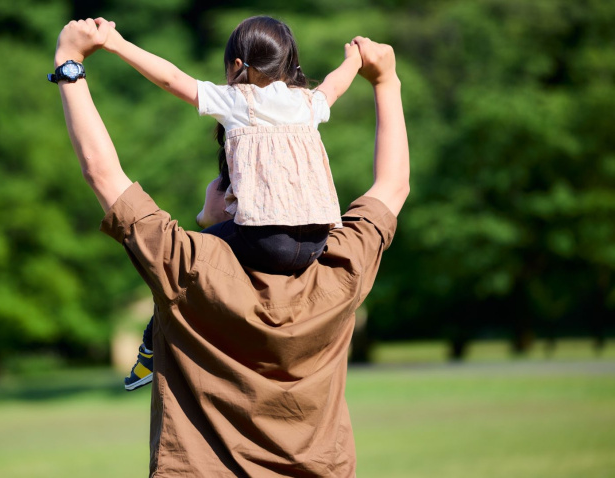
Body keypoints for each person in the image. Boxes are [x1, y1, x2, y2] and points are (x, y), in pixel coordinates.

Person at [52, 17, 408, 477]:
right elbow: (393, 185)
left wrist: (69, 63)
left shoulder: (186, 268)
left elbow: (103, 174)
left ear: (236, 190)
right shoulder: (342, 267)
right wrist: (385, 80)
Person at [99, 16, 364, 390]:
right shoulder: (306, 103)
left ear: (237, 66)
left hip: (265, 239)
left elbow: (172, 78)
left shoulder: (238, 100)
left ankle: (149, 350)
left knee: (183, 267)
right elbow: (336, 84)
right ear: (288, 66)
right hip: (317, 240)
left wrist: (116, 43)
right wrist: (354, 59)